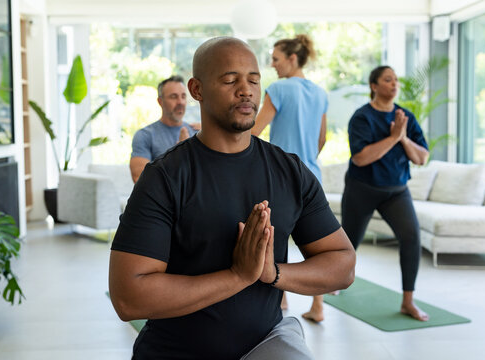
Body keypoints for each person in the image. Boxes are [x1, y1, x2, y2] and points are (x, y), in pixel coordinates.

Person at [108, 37, 356, 360]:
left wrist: (274, 274)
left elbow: (343, 265)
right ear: (197, 90)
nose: (246, 90)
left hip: (263, 345)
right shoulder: (164, 177)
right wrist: (237, 276)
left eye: (254, 80)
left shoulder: (290, 172)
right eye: (230, 80)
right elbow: (128, 298)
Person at [342, 65, 430, 321]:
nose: (394, 84)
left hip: (396, 192)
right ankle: (333, 283)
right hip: (362, 190)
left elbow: (421, 157)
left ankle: (408, 301)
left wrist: (402, 137)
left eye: (396, 80)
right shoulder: (362, 117)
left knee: (411, 237)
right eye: (387, 80)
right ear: (374, 85)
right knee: (348, 243)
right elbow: (360, 158)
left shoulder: (406, 118)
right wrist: (393, 138)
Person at [251, 34, 328, 321]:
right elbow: (322, 138)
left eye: (276, 59)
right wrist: (306, 159)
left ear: (292, 59)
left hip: (280, 176)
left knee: (275, 236)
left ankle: (280, 301)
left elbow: (254, 130)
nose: (272, 65)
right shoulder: (319, 93)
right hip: (312, 176)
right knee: (316, 245)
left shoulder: (279, 88)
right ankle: (317, 306)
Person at [129, 75, 199, 183]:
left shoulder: (198, 132)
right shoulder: (145, 135)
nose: (180, 102)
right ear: (160, 101)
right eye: (174, 97)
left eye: (183, 96)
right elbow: (139, 179)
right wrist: (179, 156)